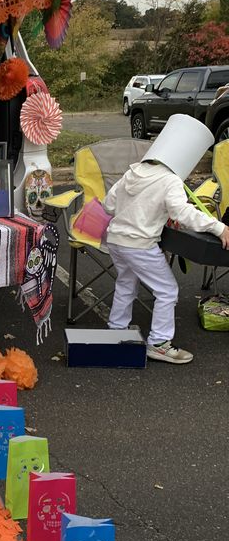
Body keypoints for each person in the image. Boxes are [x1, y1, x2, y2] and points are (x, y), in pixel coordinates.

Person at [102, 114, 229, 364]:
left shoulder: (134, 171)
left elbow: (109, 205)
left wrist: (142, 210)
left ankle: (116, 330)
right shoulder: (170, 179)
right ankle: (159, 343)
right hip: (139, 244)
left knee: (127, 284)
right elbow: (182, 213)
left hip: (116, 241)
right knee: (167, 290)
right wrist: (219, 228)